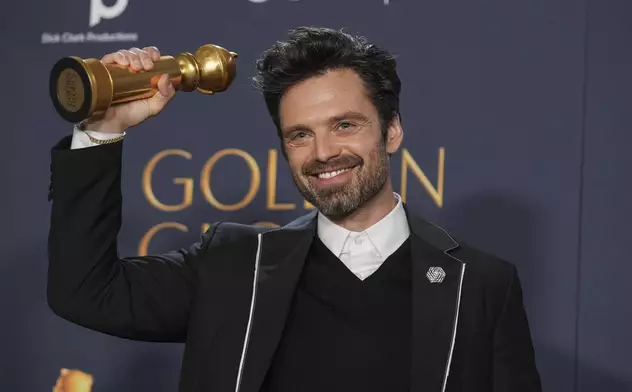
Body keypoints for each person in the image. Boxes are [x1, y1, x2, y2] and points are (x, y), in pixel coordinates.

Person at [47, 26, 542, 392]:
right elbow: (85, 292)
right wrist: (104, 127)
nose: (323, 152)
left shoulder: (479, 285)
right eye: (300, 135)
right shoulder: (233, 265)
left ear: (391, 130)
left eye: (345, 125)